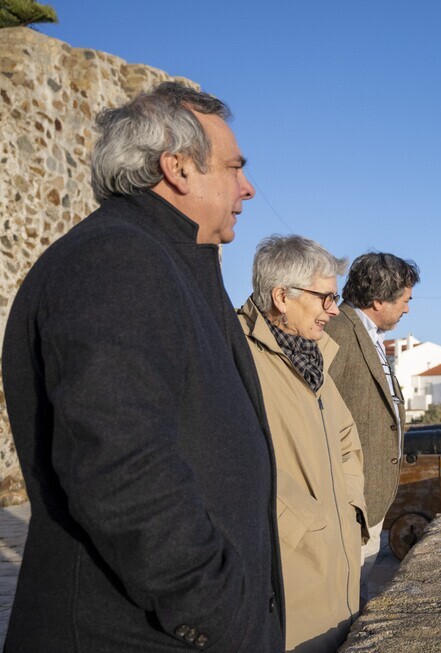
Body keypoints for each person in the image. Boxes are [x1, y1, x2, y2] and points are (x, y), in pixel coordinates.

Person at [1, 82, 285, 651]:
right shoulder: (117, 259)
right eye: (233, 168)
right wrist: (224, 615)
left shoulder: (167, 260)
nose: (248, 187)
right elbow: (122, 467)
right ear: (177, 168)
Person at [237, 235, 366, 652]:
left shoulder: (314, 356)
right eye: (325, 297)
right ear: (282, 297)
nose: (334, 309)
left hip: (336, 559)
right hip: (289, 567)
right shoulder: (237, 355)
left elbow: (347, 440)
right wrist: (298, 524)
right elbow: (228, 457)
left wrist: (349, 508)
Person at [323, 252, 419, 603]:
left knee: (357, 589)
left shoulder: (366, 332)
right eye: (405, 300)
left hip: (368, 494)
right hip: (351, 495)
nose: (407, 309)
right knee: (346, 595)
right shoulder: (338, 330)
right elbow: (315, 407)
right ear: (379, 299)